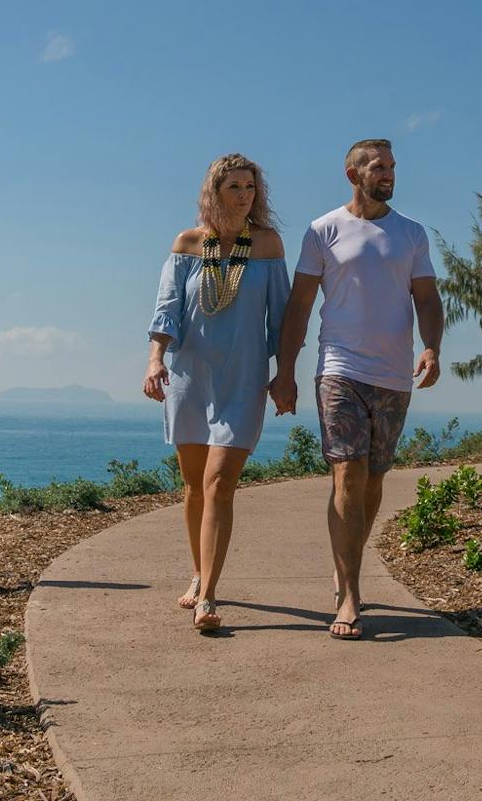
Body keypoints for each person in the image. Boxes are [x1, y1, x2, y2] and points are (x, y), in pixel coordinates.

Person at [270, 138, 442, 641]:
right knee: (347, 471)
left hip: (392, 376)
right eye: (377, 166)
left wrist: (431, 347)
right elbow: (299, 306)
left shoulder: (411, 234)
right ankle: (350, 593)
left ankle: (346, 567)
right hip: (339, 368)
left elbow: (427, 298)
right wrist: (286, 372)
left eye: (391, 166)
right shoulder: (323, 230)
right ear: (353, 174)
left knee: (372, 481)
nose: (387, 173)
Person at [144, 153, 292, 632]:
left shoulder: (267, 246)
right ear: (215, 191)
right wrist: (154, 361)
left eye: (250, 187)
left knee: (220, 484)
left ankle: (208, 597)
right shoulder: (189, 244)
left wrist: (283, 373)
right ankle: (198, 573)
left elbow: (283, 319)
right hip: (190, 378)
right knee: (193, 488)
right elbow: (167, 311)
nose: (244, 195)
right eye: (234, 187)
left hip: (244, 380)